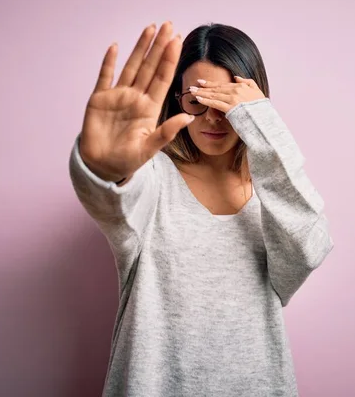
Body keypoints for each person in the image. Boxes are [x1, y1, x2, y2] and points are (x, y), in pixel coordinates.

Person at [69, 20, 334, 397]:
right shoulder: (152, 176)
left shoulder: (275, 189)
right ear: (177, 98)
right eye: (197, 100)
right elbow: (114, 202)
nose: (212, 117)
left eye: (225, 102)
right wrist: (107, 171)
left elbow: (309, 249)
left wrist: (262, 127)